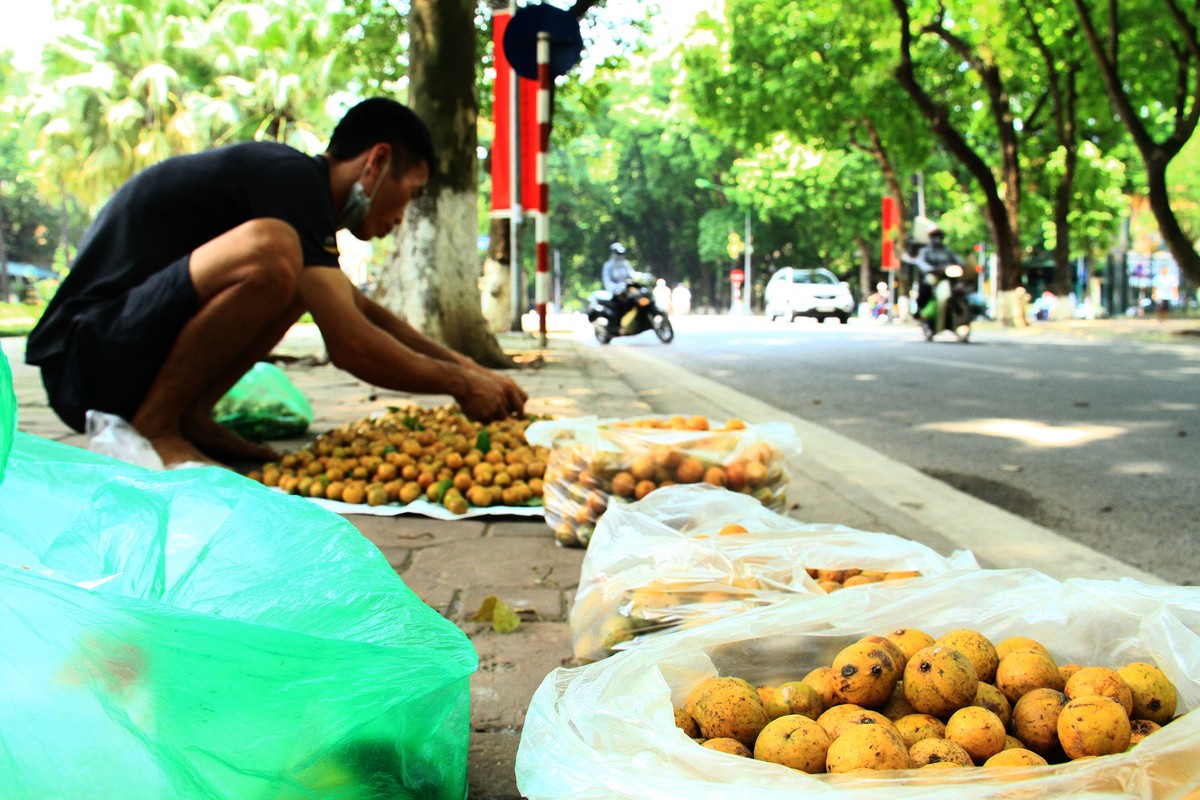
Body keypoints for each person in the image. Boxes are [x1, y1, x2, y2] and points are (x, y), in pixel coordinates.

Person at [25, 97, 527, 468]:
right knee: (274, 249)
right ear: (376, 162)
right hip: (84, 359)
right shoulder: (289, 178)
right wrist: (460, 384)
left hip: (119, 356)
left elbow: (360, 312)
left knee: (299, 278)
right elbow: (350, 345)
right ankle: (157, 426)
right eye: (410, 194)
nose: (402, 217)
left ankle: (190, 416)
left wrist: (469, 367)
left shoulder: (300, 202)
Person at [908, 227, 963, 320]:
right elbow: (921, 262)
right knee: (927, 287)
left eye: (939, 236)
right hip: (933, 275)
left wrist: (963, 266)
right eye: (935, 236)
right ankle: (920, 310)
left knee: (959, 287)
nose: (937, 239)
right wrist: (931, 269)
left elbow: (959, 260)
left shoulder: (947, 251)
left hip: (946, 277)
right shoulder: (925, 251)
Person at [600, 242, 636, 333]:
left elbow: (633, 275)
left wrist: (644, 276)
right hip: (616, 293)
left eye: (621, 254)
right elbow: (607, 282)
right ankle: (615, 327)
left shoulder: (625, 264)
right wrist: (617, 288)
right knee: (618, 307)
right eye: (618, 253)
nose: (620, 256)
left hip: (627, 291)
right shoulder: (608, 266)